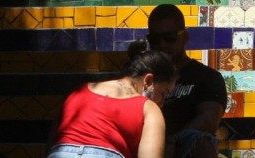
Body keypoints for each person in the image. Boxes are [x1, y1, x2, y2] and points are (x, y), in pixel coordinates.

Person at [48, 42, 176, 158]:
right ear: (148, 81)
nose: (162, 103)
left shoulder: (77, 92)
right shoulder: (149, 109)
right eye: (163, 93)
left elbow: (51, 142)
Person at [147, 5, 225, 158]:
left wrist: (171, 142)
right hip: (146, 147)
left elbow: (208, 120)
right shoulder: (143, 77)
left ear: (184, 37)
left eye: (169, 37)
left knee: (202, 140)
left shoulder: (207, 77)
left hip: (185, 149)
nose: (162, 44)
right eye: (155, 39)